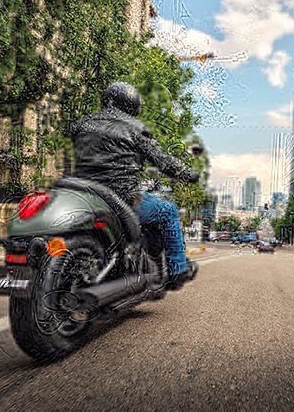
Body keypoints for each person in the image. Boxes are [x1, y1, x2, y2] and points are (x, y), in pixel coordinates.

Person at [70, 82, 199, 289]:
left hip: (84, 195)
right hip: (123, 197)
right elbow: (163, 161)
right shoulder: (136, 128)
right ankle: (178, 271)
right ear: (132, 105)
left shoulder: (82, 125)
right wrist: (187, 173)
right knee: (169, 211)